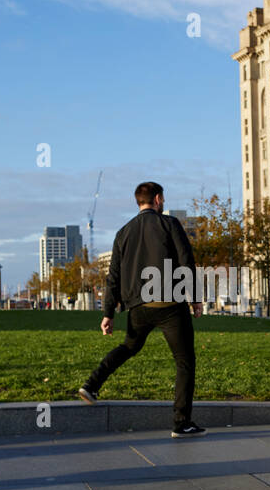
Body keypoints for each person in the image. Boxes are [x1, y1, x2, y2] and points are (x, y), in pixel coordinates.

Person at [79, 182, 205, 437]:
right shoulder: (169, 224)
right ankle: (181, 423)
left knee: (129, 347)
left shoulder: (123, 232)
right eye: (163, 199)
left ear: (139, 201)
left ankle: (91, 384)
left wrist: (107, 314)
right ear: (158, 199)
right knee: (184, 361)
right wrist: (196, 298)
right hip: (170, 305)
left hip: (139, 306)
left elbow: (112, 276)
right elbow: (186, 261)